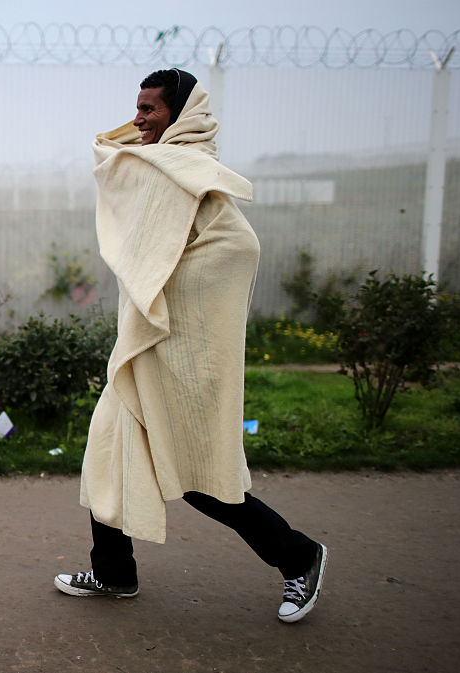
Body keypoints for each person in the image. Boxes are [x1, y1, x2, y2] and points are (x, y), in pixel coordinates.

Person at [53, 69, 327, 623]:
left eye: (150, 109)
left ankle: (300, 557)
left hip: (175, 348)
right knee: (108, 449)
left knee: (200, 476)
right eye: (137, 107)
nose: (139, 118)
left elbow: (237, 248)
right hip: (141, 348)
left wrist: (169, 297)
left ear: (180, 115)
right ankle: (113, 571)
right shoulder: (157, 164)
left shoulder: (189, 171)